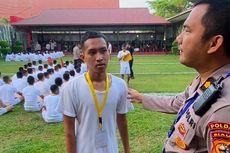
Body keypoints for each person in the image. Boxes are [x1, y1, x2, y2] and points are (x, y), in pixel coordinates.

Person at [128, 1, 230, 152]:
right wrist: (142, 98)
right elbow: (179, 102)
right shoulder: (208, 80)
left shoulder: (223, 110)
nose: (178, 39)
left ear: (213, 43)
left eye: (187, 30)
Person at [57, 31, 130, 153]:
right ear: (83, 57)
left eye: (103, 51)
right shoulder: (71, 88)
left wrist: (127, 150)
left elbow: (122, 121)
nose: (99, 57)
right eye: (92, 52)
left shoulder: (120, 85)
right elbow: (69, 132)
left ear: (109, 53)